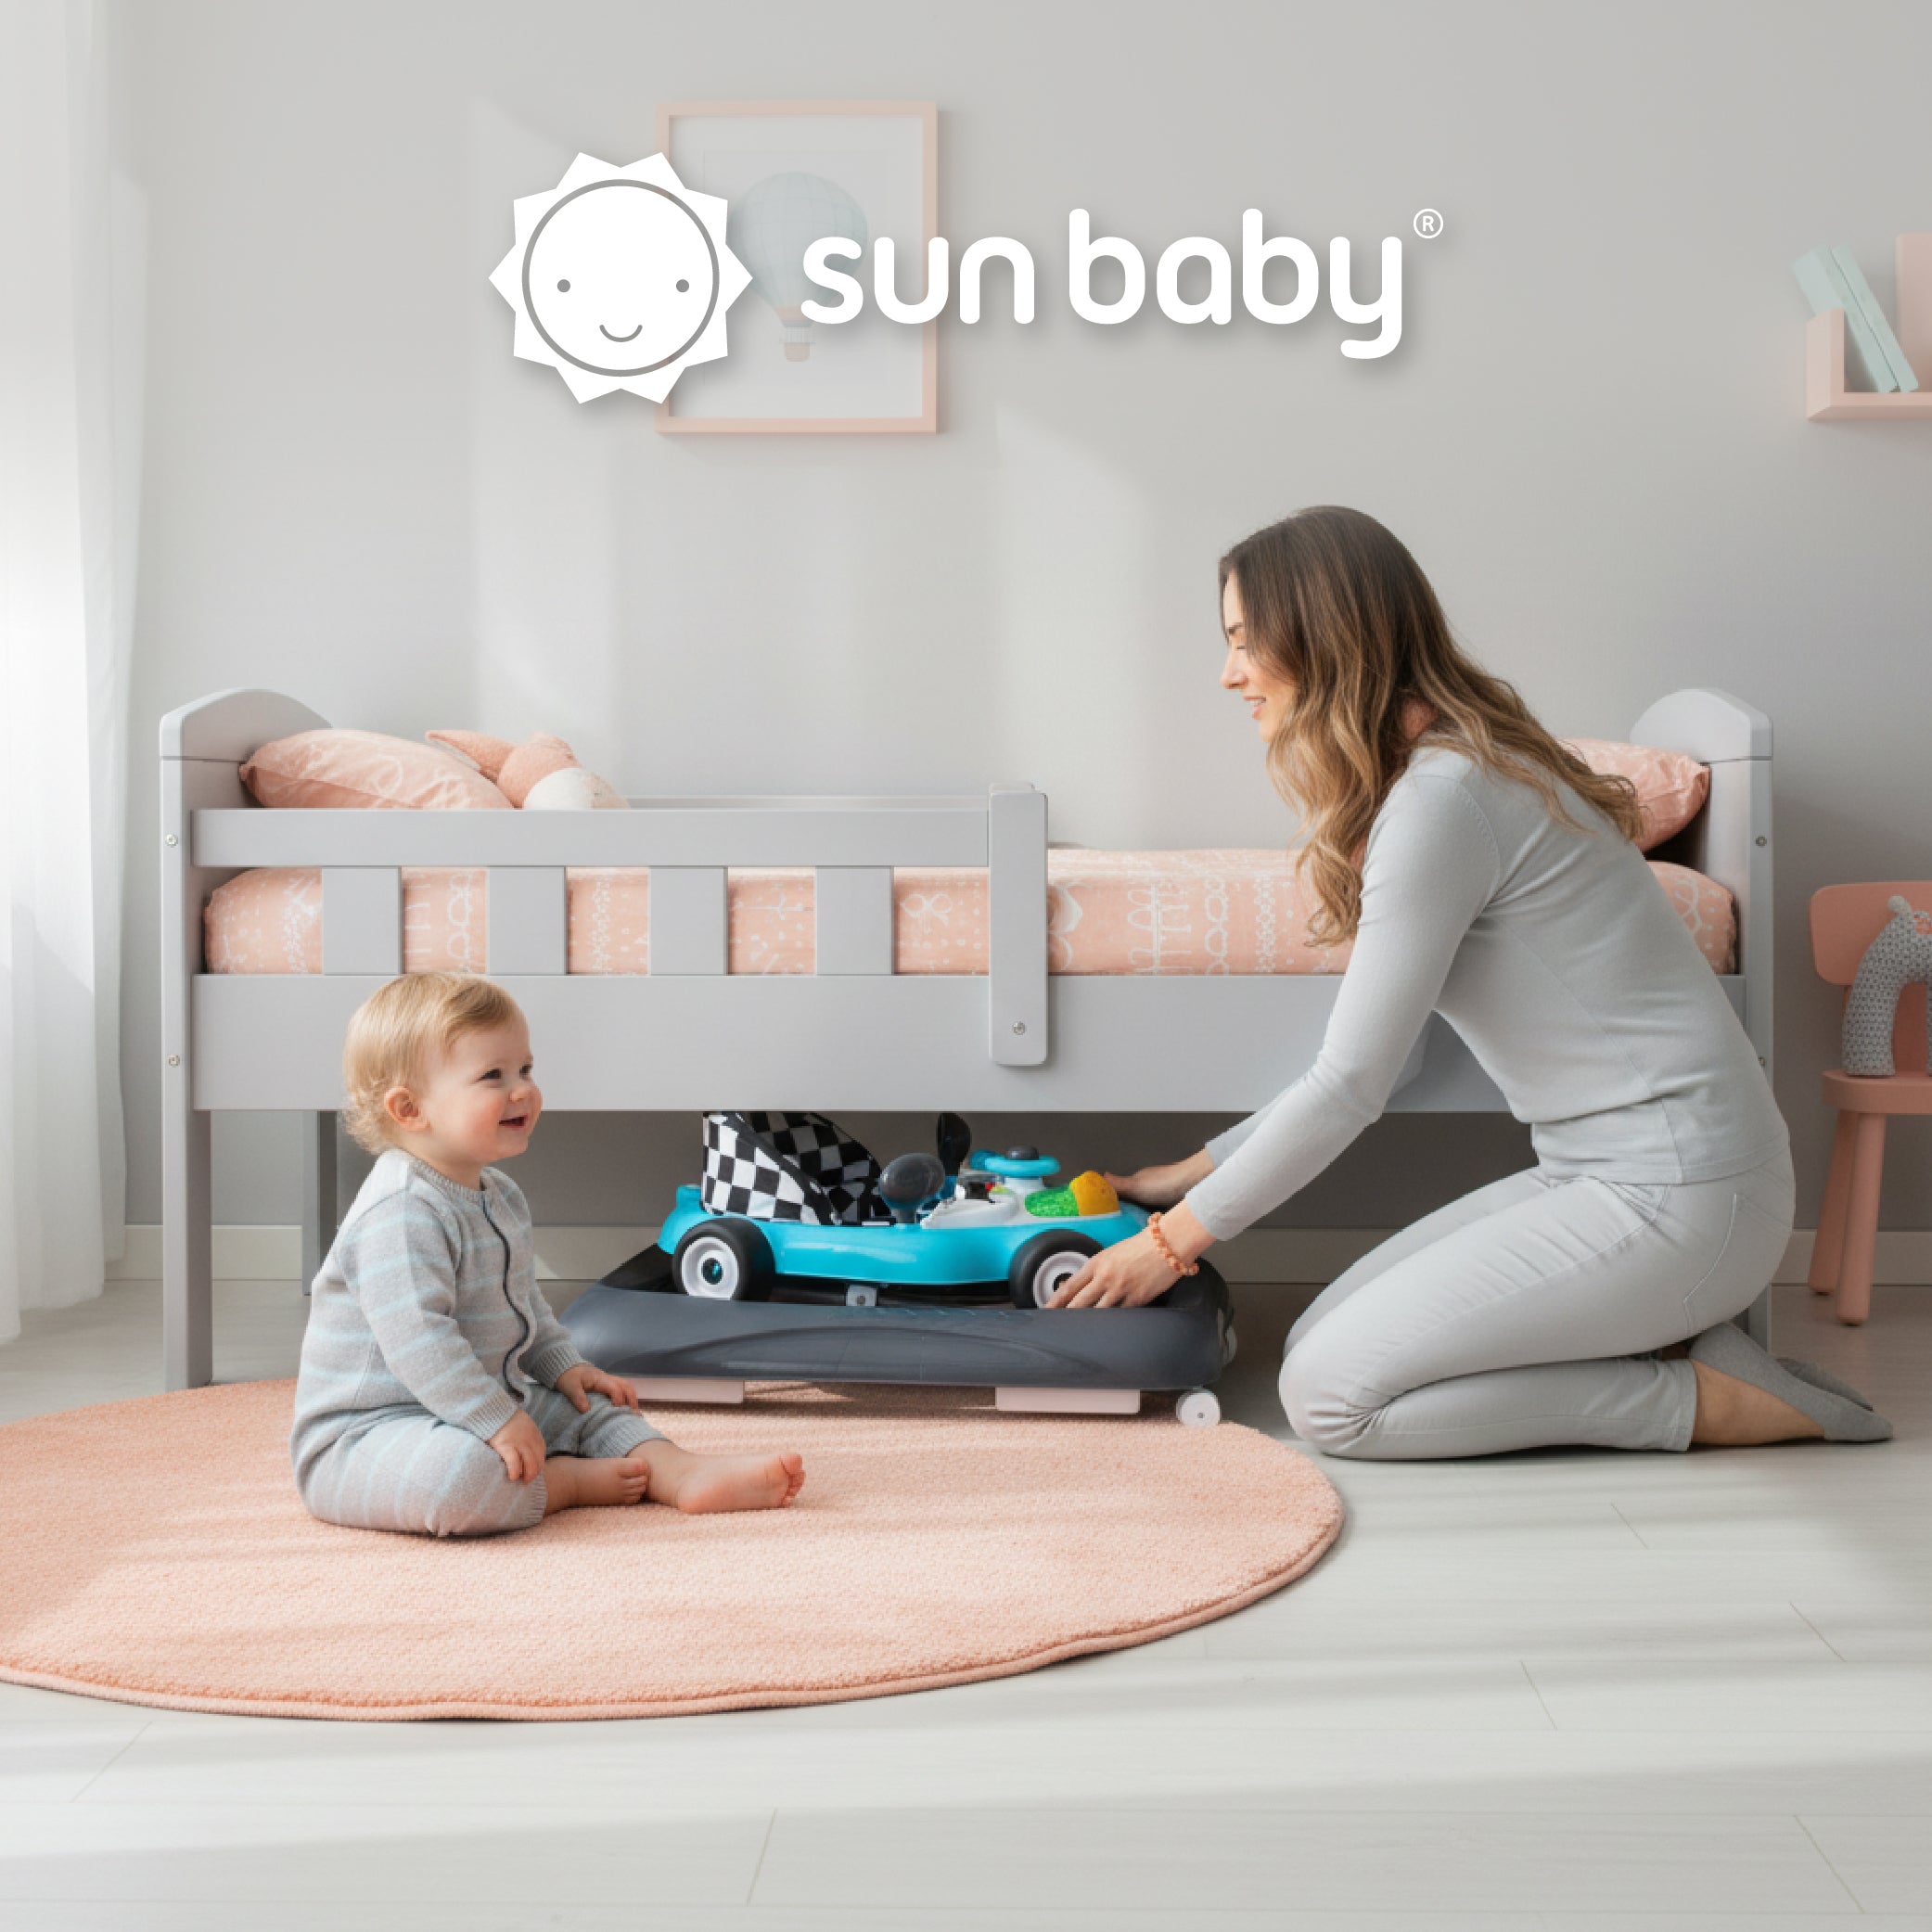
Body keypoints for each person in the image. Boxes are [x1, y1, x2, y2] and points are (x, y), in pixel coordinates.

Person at [1051, 505, 1889, 1458]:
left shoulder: (1444, 800)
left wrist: (1169, 1244)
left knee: (1329, 1400)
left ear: (1321, 635)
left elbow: (1349, 1084)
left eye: (1244, 641)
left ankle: (1704, 1400)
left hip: (1681, 1194)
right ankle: (1665, 1338)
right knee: (1320, 1340)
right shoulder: (1453, 775)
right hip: (1608, 1178)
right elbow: (1400, 1061)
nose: (1228, 672)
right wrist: (1189, 1174)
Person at [291, 972, 806, 1535]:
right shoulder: (400, 1211)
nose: (522, 1091)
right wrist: (495, 1419)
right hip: (367, 1435)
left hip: (476, 1400)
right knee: (458, 1480)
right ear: (411, 1108)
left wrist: (564, 1368)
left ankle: (679, 1472)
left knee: (591, 1410)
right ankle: (560, 1485)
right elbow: (421, 1345)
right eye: (493, 1076)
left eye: (525, 1069)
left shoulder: (500, 1195)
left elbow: (522, 1301)